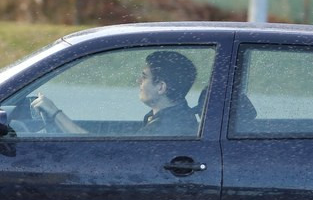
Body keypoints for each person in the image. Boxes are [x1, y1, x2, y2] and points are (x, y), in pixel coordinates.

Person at [30, 50, 199, 136]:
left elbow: (96, 151)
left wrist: (54, 113)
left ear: (161, 87)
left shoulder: (164, 129)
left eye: (144, 77)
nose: (138, 82)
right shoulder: (174, 119)